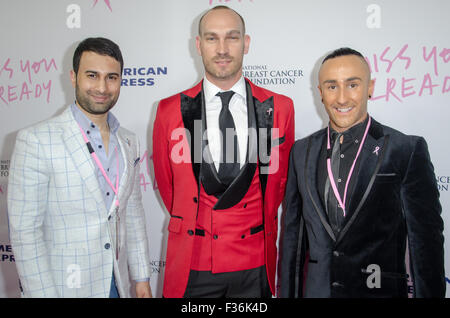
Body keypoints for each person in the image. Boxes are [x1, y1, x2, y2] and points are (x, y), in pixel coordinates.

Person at [280, 47, 445, 298]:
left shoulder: (407, 150)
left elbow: (426, 246)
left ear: (370, 87)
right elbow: (293, 238)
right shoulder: (300, 151)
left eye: (353, 85)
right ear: (320, 93)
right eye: (332, 86)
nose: (342, 98)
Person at [153, 6, 295, 298]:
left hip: (255, 267)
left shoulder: (280, 108)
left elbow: (280, 185)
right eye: (211, 38)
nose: (222, 49)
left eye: (232, 37)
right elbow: (169, 188)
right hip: (194, 265)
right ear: (198, 45)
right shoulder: (169, 111)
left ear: (246, 43)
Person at [7, 37, 152, 298]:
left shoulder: (128, 140)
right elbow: (25, 234)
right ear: (74, 77)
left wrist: (141, 278)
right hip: (63, 289)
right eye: (92, 75)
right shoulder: (37, 140)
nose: (102, 87)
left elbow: (133, 213)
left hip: (116, 285)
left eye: (111, 77)